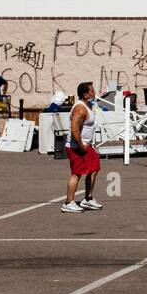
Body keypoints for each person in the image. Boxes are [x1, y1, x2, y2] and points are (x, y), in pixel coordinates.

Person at [62, 82, 103, 213]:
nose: (94, 92)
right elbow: (74, 129)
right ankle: (68, 202)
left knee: (94, 169)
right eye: (91, 91)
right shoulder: (80, 109)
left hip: (87, 145)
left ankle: (88, 199)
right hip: (77, 146)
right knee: (76, 174)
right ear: (85, 94)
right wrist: (81, 146)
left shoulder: (89, 104)